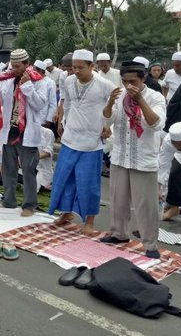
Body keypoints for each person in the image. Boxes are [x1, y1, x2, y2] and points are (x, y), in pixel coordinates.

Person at [100, 61, 167, 258]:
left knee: (146, 206)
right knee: (118, 200)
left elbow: (156, 125)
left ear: (143, 79)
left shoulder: (155, 97)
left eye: (133, 81)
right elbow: (106, 120)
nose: (129, 85)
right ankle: (119, 233)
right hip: (120, 156)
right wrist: (110, 103)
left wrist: (140, 101)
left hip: (143, 158)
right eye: (125, 81)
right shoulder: (119, 94)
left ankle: (150, 245)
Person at [48, 49, 117, 234]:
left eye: (80, 67)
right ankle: (66, 213)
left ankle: (89, 222)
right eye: (73, 67)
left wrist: (108, 125)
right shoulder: (69, 80)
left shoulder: (105, 85)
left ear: (91, 66)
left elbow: (116, 106)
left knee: (88, 183)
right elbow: (68, 103)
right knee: (64, 178)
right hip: (70, 139)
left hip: (91, 142)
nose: (76, 71)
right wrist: (63, 121)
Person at [0, 49, 47, 215]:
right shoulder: (8, 79)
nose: (14, 69)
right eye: (12, 65)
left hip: (27, 130)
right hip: (10, 129)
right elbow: (2, 101)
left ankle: (29, 205)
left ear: (26, 64)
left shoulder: (39, 81)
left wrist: (27, 85)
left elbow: (39, 105)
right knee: (9, 168)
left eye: (17, 66)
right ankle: (9, 201)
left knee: (29, 169)